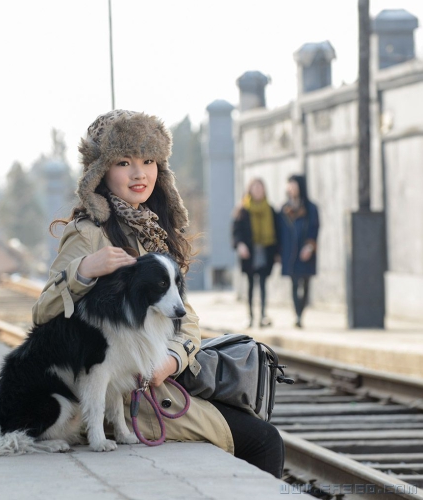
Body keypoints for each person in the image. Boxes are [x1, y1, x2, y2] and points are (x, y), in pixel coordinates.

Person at [32, 110, 284, 478]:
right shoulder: (88, 233)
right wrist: (83, 271)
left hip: (160, 380)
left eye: (148, 161)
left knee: (257, 427)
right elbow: (42, 313)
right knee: (263, 440)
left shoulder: (151, 231)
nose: (139, 174)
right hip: (117, 399)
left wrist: (172, 359)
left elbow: (187, 318)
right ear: (99, 172)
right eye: (124, 162)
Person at [232, 178, 278, 328]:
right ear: (250, 190)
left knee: (264, 283)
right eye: (255, 187)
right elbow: (236, 231)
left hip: (265, 250)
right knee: (251, 284)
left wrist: (278, 252)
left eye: (260, 187)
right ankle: (251, 317)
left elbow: (277, 232)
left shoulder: (270, 210)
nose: (258, 190)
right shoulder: (242, 209)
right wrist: (240, 245)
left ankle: (263, 315)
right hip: (249, 252)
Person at [279, 174, 320, 328]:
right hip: (290, 253)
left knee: (306, 283)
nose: (292, 188)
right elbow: (280, 233)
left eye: (294, 185)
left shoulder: (311, 208)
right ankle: (298, 316)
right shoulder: (284, 209)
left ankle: (301, 312)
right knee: (294, 283)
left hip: (306, 252)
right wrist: (279, 253)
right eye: (290, 185)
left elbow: (315, 228)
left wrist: (309, 246)